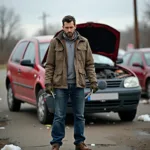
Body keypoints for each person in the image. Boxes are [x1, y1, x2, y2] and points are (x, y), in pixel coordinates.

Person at [45, 15, 98, 150]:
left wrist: (93, 81)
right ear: (62, 27)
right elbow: (49, 65)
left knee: (79, 116)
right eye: (66, 27)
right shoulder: (55, 42)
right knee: (59, 116)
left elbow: (89, 64)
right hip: (60, 85)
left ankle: (79, 143)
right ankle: (56, 143)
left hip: (78, 84)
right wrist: (48, 83)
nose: (69, 30)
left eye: (71, 27)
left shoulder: (84, 42)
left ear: (75, 26)